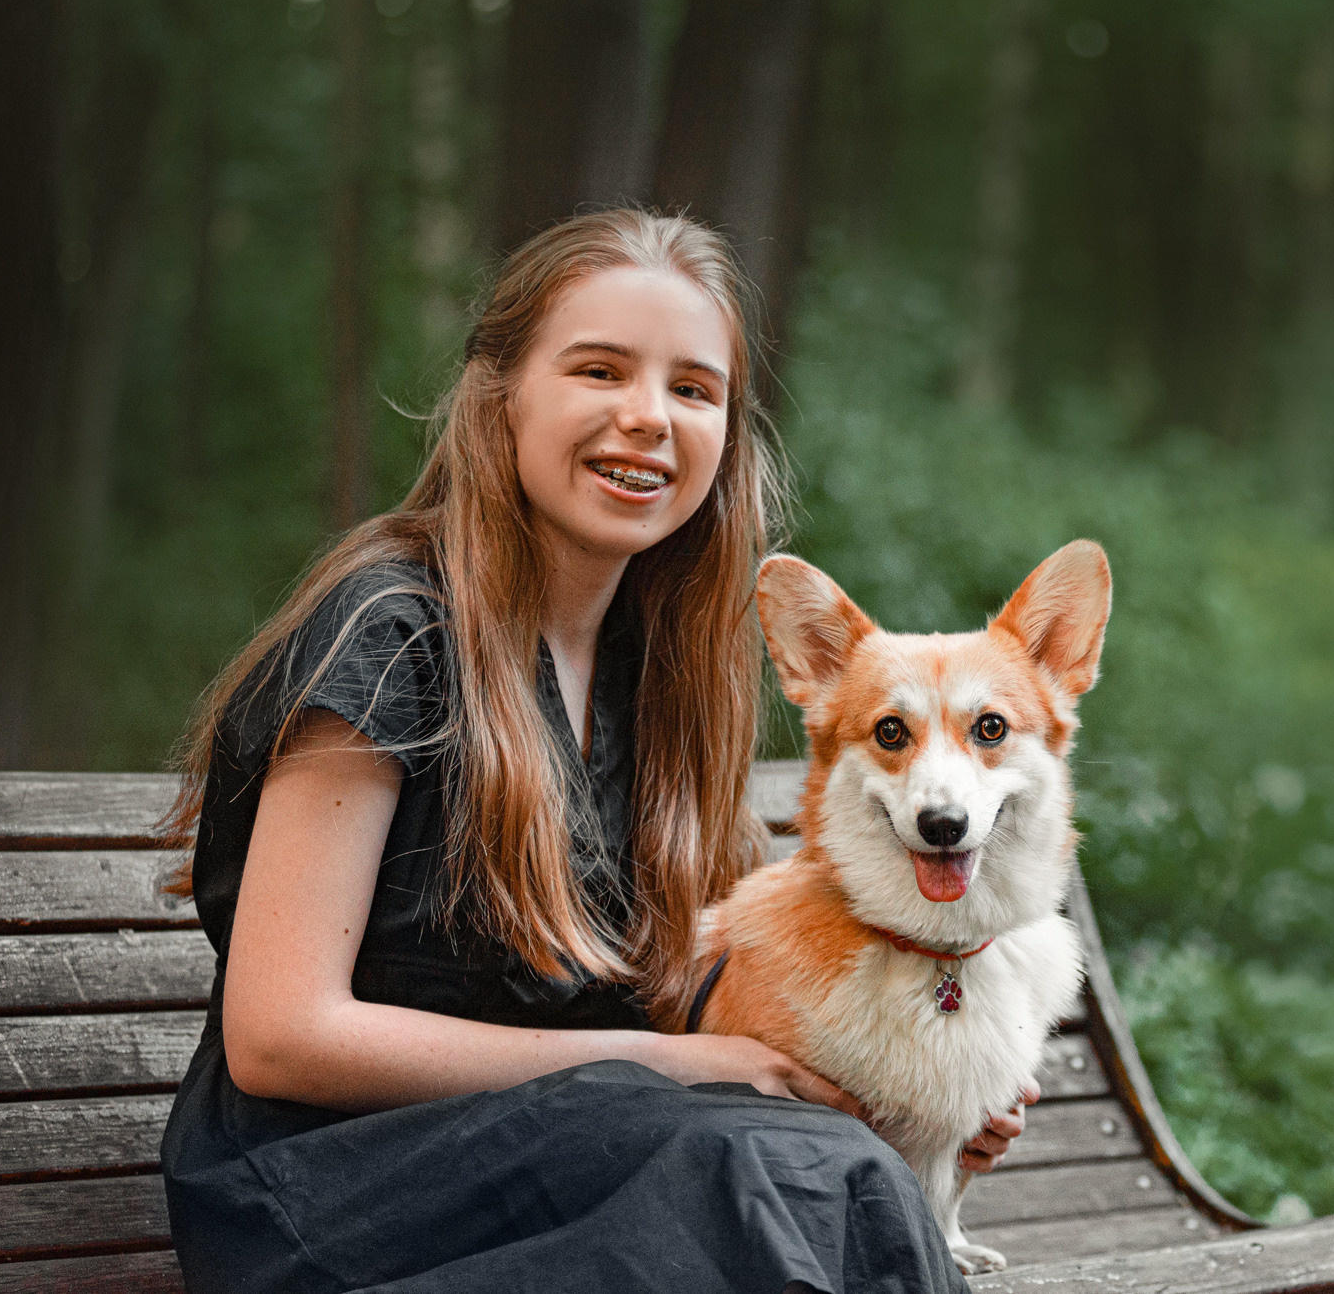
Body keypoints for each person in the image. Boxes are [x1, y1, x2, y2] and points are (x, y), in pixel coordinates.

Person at [158, 210, 1024, 1293]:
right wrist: (662, 1064)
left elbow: (696, 1007)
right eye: (600, 370)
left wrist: (919, 1109)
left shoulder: (659, 674)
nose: (647, 417)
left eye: (693, 389)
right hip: (334, 1201)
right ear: (501, 395)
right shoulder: (386, 635)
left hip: (593, 1173)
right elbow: (281, 1038)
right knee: (774, 1175)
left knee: (819, 1171)